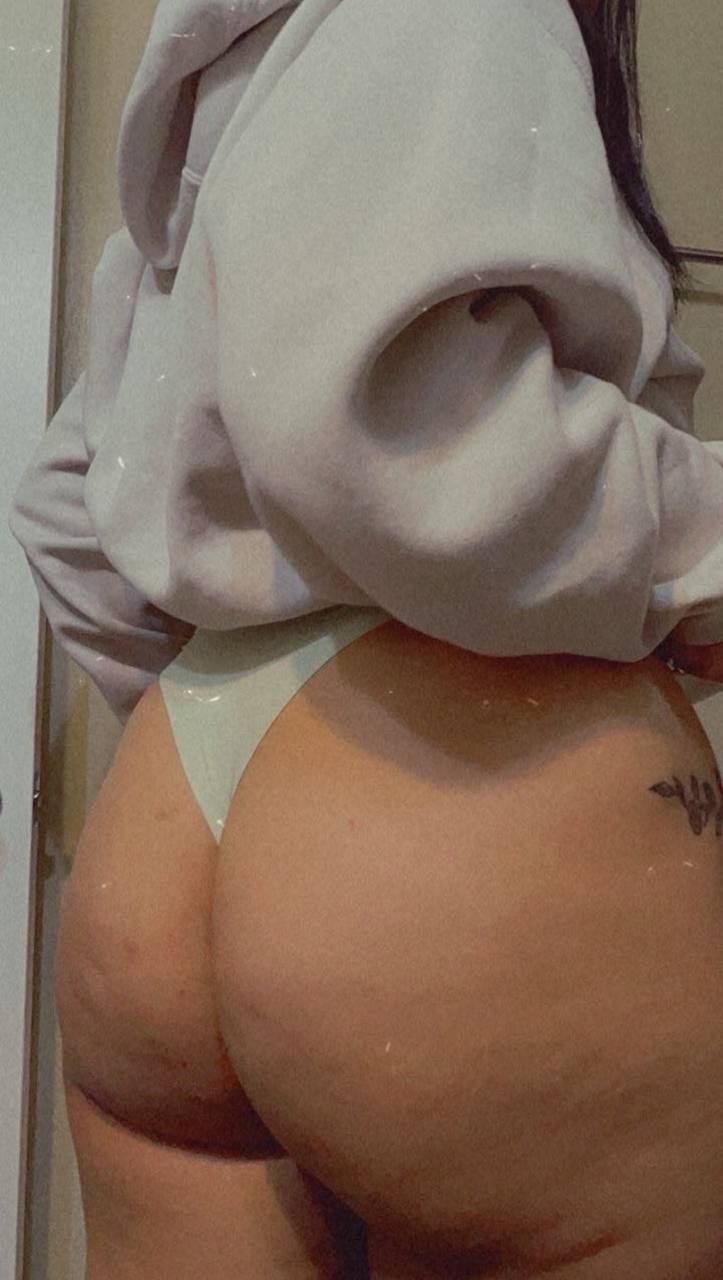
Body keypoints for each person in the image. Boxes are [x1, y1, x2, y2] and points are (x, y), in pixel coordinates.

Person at [9, 0, 723, 1275]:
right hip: (457, 815)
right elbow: (393, 435)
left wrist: (248, 778)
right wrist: (703, 553)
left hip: (173, 830)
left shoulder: (216, 97)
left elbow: (71, 500)